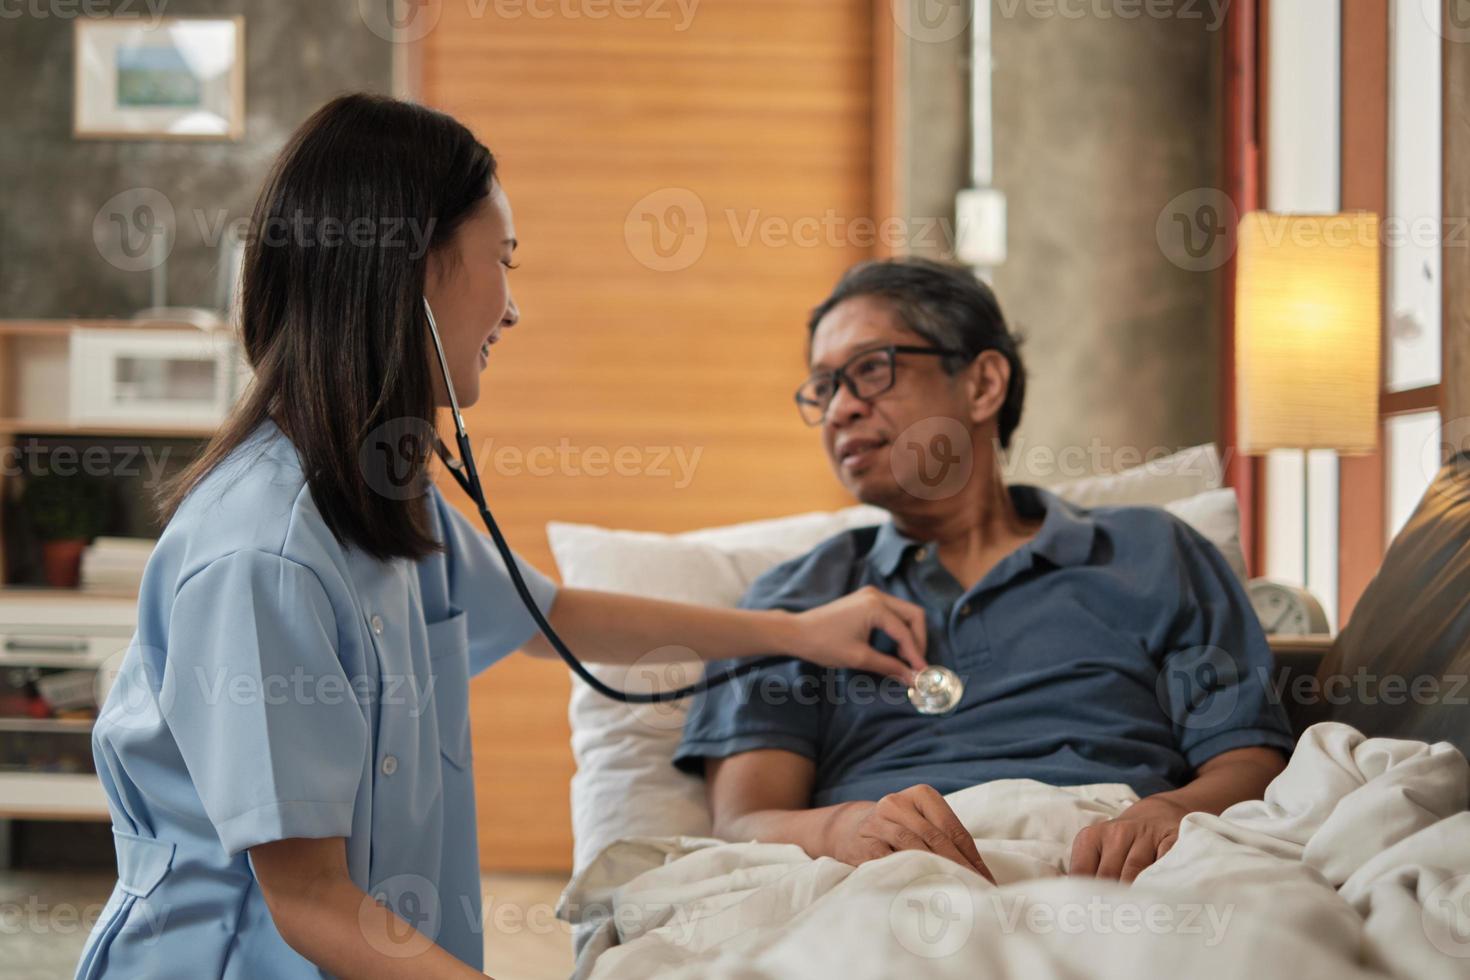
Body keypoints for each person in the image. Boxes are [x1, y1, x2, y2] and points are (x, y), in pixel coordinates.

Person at [74, 94, 932, 980]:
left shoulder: (383, 494)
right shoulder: (263, 556)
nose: (512, 310)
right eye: (504, 262)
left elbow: (553, 617)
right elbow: (310, 902)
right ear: (411, 271)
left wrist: (799, 632)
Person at [674, 257, 1295, 885]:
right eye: (823, 388)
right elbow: (742, 821)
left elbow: (1249, 759)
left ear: (982, 385)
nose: (839, 411)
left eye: (868, 370)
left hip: (1113, 871)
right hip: (880, 882)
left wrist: (1172, 811)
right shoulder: (792, 604)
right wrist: (843, 829)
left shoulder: (1153, 552)